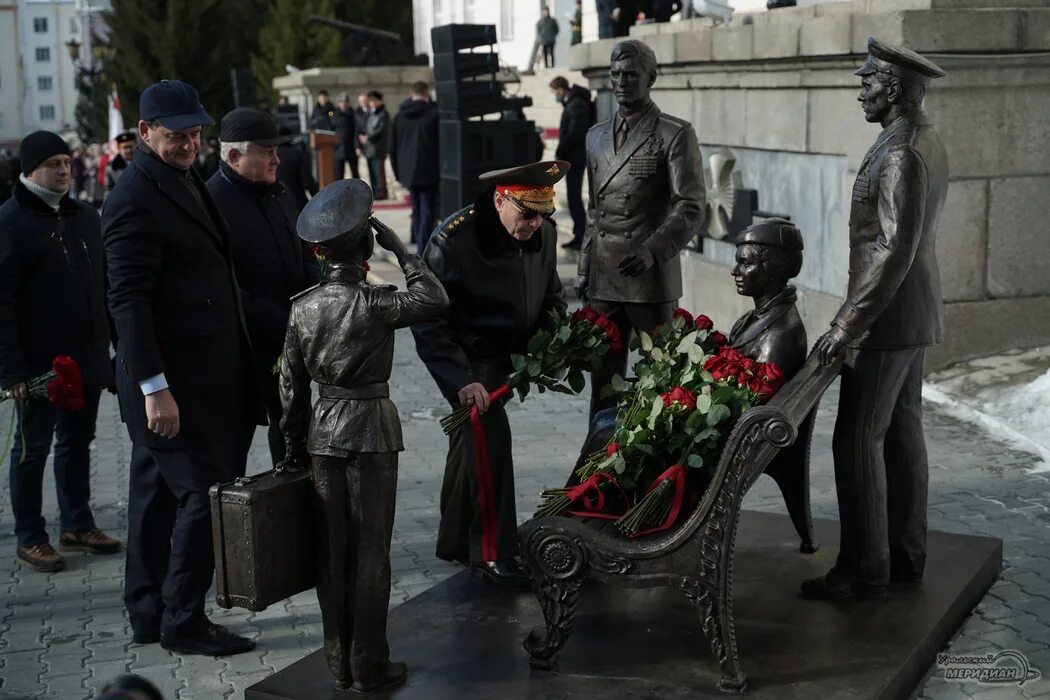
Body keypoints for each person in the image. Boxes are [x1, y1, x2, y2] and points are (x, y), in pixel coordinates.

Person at [103, 79, 259, 656]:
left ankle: (146, 610)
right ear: (144, 133)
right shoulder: (132, 198)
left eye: (196, 132)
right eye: (177, 135)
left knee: (155, 498)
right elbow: (127, 303)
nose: (191, 143)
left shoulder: (181, 175)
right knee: (202, 497)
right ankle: (182, 621)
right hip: (171, 387)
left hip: (204, 377)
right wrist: (154, 388)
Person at [280, 180, 448, 693]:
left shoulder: (302, 307)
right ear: (365, 246)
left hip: (324, 434)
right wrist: (402, 250)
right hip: (371, 429)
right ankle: (369, 662)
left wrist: (292, 448)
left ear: (318, 252)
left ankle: (339, 661)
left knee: (331, 553)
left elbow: (289, 384)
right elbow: (435, 299)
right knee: (371, 551)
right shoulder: (376, 302)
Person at [802, 38, 949, 601]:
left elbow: (892, 250)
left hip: (886, 319)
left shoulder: (900, 152)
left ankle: (864, 569)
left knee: (858, 438)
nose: (859, 89)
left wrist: (846, 324)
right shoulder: (920, 139)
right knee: (903, 432)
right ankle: (907, 554)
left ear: (894, 87)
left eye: (868, 81)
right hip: (910, 313)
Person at [412, 160, 568, 584]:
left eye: (544, 214)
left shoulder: (543, 230)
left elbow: (552, 294)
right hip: (470, 356)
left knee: (469, 445)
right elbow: (428, 321)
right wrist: (461, 380)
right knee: (488, 439)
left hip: (515, 351)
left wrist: (553, 339)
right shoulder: (453, 240)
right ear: (500, 200)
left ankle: (454, 538)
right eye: (528, 214)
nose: (536, 224)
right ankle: (491, 550)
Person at [0, 130, 120, 574]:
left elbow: (102, 285)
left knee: (77, 443)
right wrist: (11, 370)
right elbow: (2, 305)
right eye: (53, 164)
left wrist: (110, 347)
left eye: (67, 162)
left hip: (85, 358)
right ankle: (30, 535)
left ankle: (77, 523)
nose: (64, 171)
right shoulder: (9, 223)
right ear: (30, 170)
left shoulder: (86, 216)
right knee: (32, 451)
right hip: (37, 368)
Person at [577, 40, 705, 420]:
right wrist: (585, 268)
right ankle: (597, 460)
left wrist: (652, 250)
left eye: (631, 74)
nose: (621, 82)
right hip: (604, 279)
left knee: (664, 380)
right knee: (603, 383)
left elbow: (691, 205)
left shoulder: (674, 134)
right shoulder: (594, 136)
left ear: (651, 77)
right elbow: (593, 211)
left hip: (648, 279)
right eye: (615, 74)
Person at [208, 107, 321, 467]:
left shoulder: (278, 190)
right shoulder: (211, 204)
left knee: (294, 440)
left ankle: (297, 512)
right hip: (240, 352)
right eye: (266, 151)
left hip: (288, 343)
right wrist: (284, 319)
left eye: (277, 149)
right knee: (231, 451)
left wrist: (314, 298)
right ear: (234, 155)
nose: (277, 158)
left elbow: (303, 251)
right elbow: (222, 288)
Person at [390, 81, 440, 256]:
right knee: (427, 210)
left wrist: (398, 172)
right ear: (426, 94)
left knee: (417, 209)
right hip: (429, 169)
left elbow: (393, 147)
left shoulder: (399, 117)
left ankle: (418, 241)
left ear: (411, 94)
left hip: (408, 171)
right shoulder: (433, 114)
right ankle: (423, 248)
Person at [549, 76, 594, 250]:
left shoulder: (576, 105)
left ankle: (582, 235)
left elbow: (576, 133)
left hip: (575, 158)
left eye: (553, 92)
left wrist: (561, 149)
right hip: (573, 157)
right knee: (572, 198)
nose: (553, 95)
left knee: (574, 198)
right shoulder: (573, 103)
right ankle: (579, 234)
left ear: (561, 89)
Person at [276, 127, 317, 212]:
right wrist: (317, 199)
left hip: (279, 203)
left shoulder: (274, 156)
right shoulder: (298, 153)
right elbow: (308, 181)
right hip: (299, 201)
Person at [361, 90, 390, 200]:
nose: (372, 103)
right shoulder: (370, 112)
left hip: (378, 147)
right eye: (371, 101)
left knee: (379, 173)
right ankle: (375, 192)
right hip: (369, 148)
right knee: (372, 172)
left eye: (374, 100)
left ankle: (381, 193)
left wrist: (368, 136)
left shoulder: (383, 113)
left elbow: (381, 129)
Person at [332, 94, 358, 180]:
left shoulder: (353, 114)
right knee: (339, 175)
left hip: (351, 147)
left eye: (345, 102)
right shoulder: (334, 115)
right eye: (341, 102)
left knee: (355, 173)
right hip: (338, 149)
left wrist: (357, 146)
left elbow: (356, 131)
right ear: (338, 103)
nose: (343, 104)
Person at [105, 131, 136, 195]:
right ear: (119, 149)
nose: (129, 150)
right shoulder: (111, 168)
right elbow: (109, 191)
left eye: (130, 146)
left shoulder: (146, 163)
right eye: (125, 147)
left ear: (135, 145)